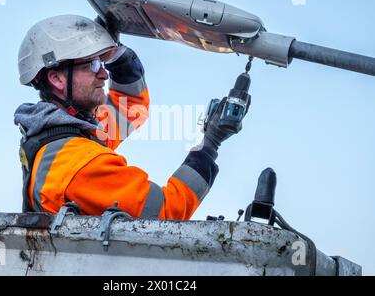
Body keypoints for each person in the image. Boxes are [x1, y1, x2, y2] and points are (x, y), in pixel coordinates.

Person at [14, 14, 247, 219]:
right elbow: (167, 212)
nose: (104, 74)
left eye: (102, 63)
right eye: (93, 65)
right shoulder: (78, 164)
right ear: (57, 79)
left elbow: (130, 107)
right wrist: (210, 144)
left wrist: (116, 54)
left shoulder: (60, 140)